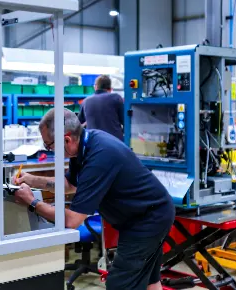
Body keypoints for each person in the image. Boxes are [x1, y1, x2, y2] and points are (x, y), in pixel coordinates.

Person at [13, 108, 175, 290]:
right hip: (148, 214)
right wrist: (32, 180)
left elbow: (72, 220)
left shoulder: (100, 157)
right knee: (149, 281)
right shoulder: (84, 144)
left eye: (49, 145)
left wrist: (32, 202)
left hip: (148, 220)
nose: (49, 150)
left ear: (66, 139)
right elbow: (70, 184)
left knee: (120, 284)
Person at [78, 75, 124, 141]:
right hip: (115, 143)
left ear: (95, 87)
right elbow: (125, 120)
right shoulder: (116, 98)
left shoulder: (86, 101)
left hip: (93, 144)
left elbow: (79, 123)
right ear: (110, 89)